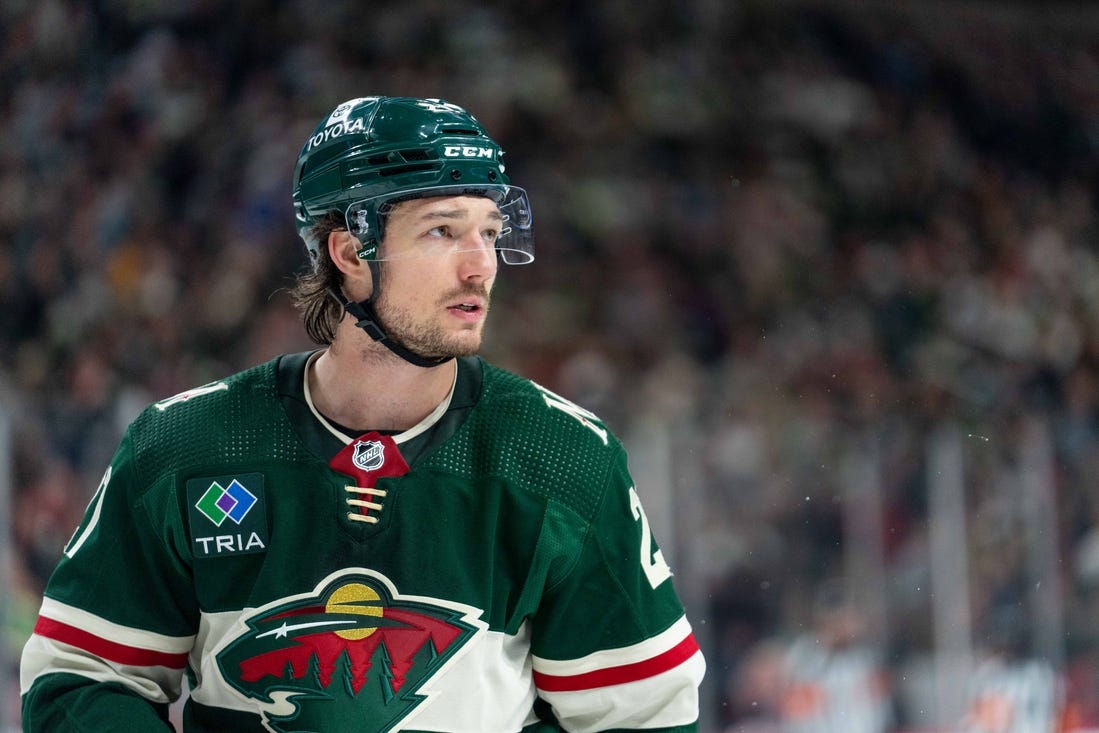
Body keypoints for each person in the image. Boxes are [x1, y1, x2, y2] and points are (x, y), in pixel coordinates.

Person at [19, 96, 706, 732]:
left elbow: (643, 716)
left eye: (489, 231)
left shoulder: (564, 460)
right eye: (442, 230)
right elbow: (82, 676)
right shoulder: (183, 447)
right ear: (349, 251)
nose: (481, 267)